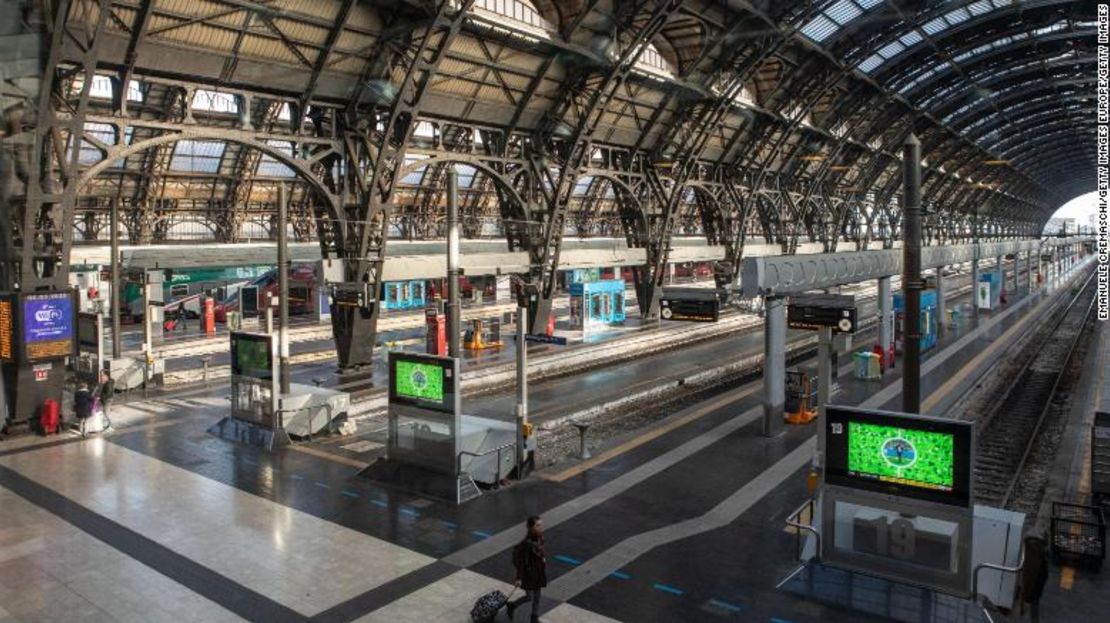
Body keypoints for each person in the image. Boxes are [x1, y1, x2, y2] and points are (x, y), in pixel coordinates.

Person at [508, 515, 547, 622]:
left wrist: (543, 558)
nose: (540, 527)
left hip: (538, 572)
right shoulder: (526, 544)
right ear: (531, 527)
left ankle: (534, 618)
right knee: (529, 597)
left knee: (537, 596)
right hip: (529, 574)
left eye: (541, 525)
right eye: (537, 525)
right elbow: (521, 562)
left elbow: (540, 551)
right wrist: (519, 578)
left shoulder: (540, 537)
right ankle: (512, 605)